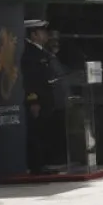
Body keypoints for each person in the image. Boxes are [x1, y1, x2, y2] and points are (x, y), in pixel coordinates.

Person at [21, 19, 60, 174]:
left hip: (47, 97)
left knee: (44, 132)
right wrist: (33, 100)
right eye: (42, 32)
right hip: (38, 99)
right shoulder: (29, 53)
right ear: (34, 34)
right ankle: (36, 165)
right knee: (36, 133)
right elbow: (30, 80)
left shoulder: (42, 52)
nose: (46, 35)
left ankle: (44, 163)